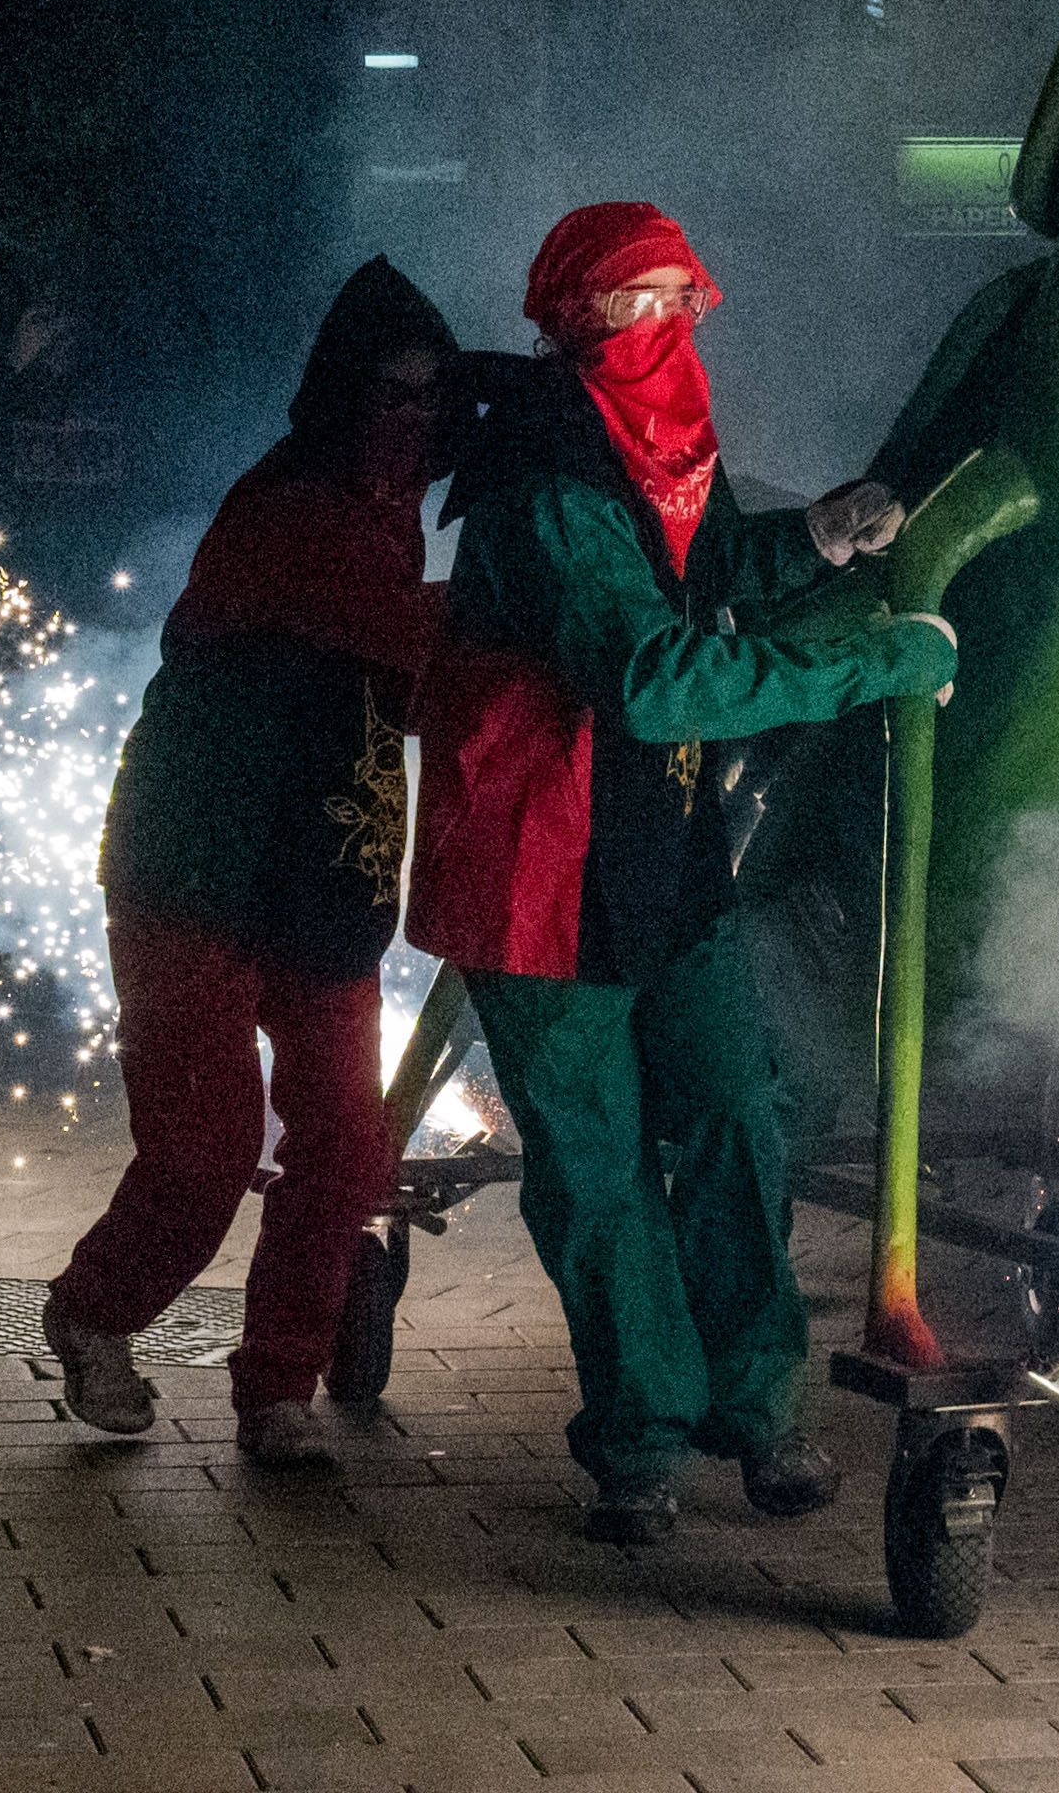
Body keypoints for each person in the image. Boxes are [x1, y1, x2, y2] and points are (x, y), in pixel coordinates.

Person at [406, 203, 948, 1545]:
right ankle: (640, 1441)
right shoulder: (547, 473)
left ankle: (758, 1415)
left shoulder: (659, 446)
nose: (657, 328)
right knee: (596, 1171)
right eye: (625, 306)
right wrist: (880, 659)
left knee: (732, 1124)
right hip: (542, 873)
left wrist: (811, 541)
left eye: (673, 300)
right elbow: (654, 674)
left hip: (665, 853)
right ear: (571, 326)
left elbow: (690, 583)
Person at [41, 260, 459, 1465]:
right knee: (207, 1146)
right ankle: (97, 1311)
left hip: (320, 884)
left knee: (347, 1144)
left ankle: (277, 1387)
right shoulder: (294, 510)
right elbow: (414, 646)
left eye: (431, 399)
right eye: (390, 394)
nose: (412, 418)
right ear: (339, 396)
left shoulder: (383, 499)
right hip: (196, 875)